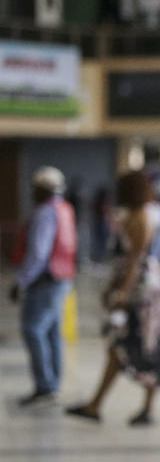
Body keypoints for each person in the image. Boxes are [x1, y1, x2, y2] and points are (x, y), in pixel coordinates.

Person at [66, 171, 160, 426]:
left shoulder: (142, 218)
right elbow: (124, 262)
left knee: (144, 346)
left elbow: (135, 262)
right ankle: (98, 405)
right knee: (119, 347)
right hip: (138, 288)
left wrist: (121, 293)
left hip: (143, 293)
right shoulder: (133, 217)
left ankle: (140, 408)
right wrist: (112, 287)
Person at [10, 166, 76, 406]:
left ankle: (45, 386)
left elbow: (38, 253)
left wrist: (21, 281)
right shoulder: (65, 209)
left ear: (42, 189)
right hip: (62, 278)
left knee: (33, 330)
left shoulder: (46, 213)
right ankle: (52, 384)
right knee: (51, 332)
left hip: (46, 280)